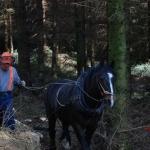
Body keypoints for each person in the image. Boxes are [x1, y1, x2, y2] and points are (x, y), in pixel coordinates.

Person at [0, 52, 25, 131]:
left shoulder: (12, 70)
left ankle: (10, 132)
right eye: (5, 63)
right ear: (1, 62)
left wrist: (21, 82)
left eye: (8, 63)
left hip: (7, 96)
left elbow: (17, 81)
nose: (6, 65)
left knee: (9, 115)